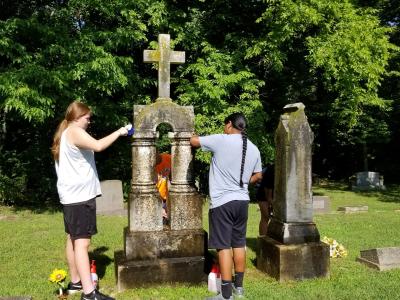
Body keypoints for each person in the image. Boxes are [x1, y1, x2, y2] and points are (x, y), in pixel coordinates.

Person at [51, 101, 128, 300]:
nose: (89, 121)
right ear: (77, 117)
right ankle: (88, 293)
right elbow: (99, 145)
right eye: (87, 118)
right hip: (79, 197)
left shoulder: (66, 131)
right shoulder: (75, 131)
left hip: (72, 196)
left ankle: (76, 283)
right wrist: (120, 131)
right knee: (82, 244)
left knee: (73, 239)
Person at [190, 113, 262, 300]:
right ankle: (239, 289)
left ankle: (226, 295)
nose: (224, 128)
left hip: (222, 202)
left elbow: (193, 142)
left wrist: (192, 133)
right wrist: (244, 182)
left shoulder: (221, 140)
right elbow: (258, 175)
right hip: (242, 201)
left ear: (229, 124)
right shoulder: (253, 148)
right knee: (239, 244)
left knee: (223, 247)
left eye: (225, 125)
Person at [256, 164, 274, 236]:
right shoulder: (271, 171)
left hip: (273, 192)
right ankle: (263, 239)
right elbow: (268, 196)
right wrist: (272, 203)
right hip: (262, 193)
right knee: (265, 216)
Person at [155, 152, 172, 224]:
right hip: (157, 198)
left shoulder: (168, 158)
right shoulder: (148, 166)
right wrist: (159, 207)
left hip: (168, 197)